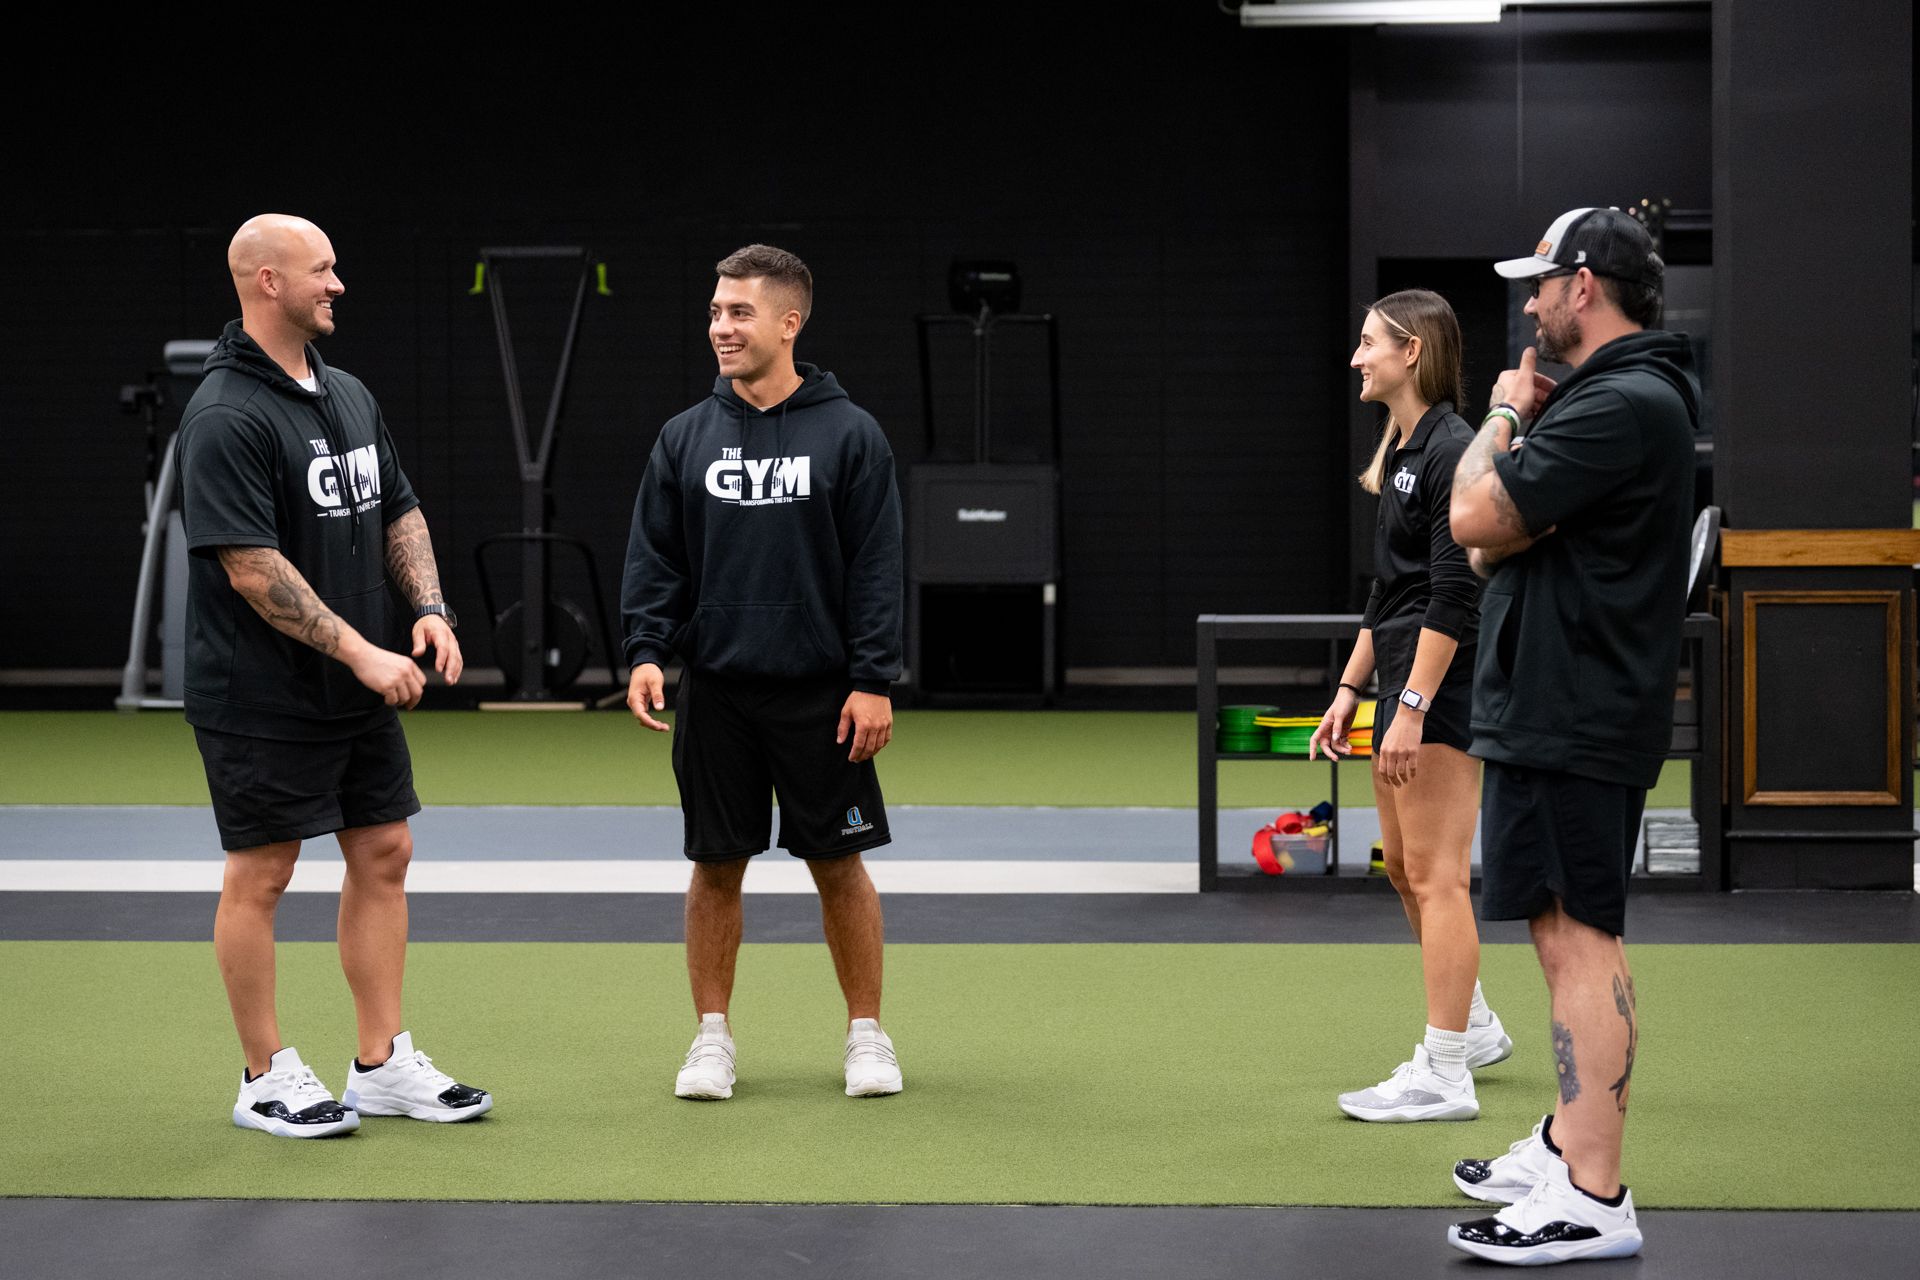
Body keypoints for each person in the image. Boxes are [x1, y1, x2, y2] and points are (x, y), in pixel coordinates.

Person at [180, 214, 490, 1139]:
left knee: (384, 849)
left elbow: (398, 508)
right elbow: (249, 565)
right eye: (322, 270)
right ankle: (264, 1075)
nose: (339, 283)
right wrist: (362, 649)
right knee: (264, 871)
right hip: (258, 692)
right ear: (267, 281)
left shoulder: (346, 392)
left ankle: (382, 1063)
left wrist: (429, 608)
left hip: (352, 693)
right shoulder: (227, 414)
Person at [1445, 208, 1697, 1264]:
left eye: (1541, 285)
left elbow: (1470, 520)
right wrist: (1506, 511)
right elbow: (1491, 545)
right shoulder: (1612, 401)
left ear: (1583, 286)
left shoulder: (1618, 404)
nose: (1532, 304)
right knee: (1558, 933)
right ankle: (1567, 1139)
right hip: (1557, 700)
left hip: (1575, 707)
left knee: (1583, 936)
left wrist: (1504, 418)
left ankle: (1595, 1194)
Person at [622, 244, 905, 1100]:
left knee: (838, 865)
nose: (721, 328)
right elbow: (656, 558)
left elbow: (877, 566)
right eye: (715, 312)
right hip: (717, 691)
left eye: (739, 313)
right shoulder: (684, 437)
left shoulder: (850, 434)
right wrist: (645, 650)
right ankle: (712, 1039)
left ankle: (867, 1036)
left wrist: (874, 676)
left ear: (791, 322)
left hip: (824, 695)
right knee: (714, 866)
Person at [1312, 290, 1512, 1124]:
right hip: (1398, 678)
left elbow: (1453, 594)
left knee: (1436, 877)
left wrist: (1413, 708)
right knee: (1403, 869)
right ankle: (1475, 1024)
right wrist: (1351, 689)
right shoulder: (1402, 445)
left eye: (1369, 344)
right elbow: (1388, 590)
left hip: (1439, 688)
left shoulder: (1456, 451)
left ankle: (1445, 1072)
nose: (1357, 358)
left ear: (1413, 353)